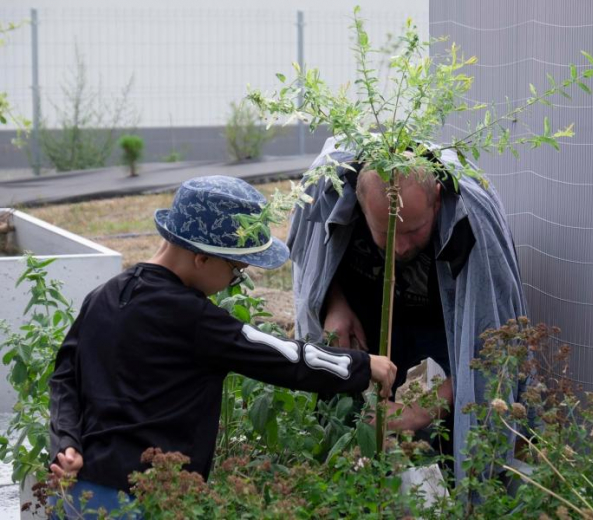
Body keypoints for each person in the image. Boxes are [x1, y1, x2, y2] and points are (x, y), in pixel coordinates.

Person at [48, 175, 397, 516]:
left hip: (75, 494)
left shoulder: (105, 295)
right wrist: (363, 366)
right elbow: (282, 356)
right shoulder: (192, 316)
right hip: (145, 501)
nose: (235, 280)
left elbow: (65, 377)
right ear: (202, 258)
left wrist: (66, 442)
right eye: (237, 270)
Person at [288, 138, 529, 481]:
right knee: (348, 425)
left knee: (438, 451)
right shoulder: (340, 198)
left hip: (441, 333)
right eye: (385, 233)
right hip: (368, 324)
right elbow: (316, 262)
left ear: (436, 201)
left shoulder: (470, 228)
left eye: (414, 230)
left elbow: (489, 350)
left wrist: (423, 410)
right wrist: (334, 304)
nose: (399, 248)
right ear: (359, 208)